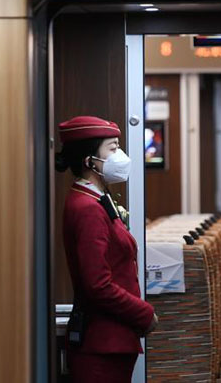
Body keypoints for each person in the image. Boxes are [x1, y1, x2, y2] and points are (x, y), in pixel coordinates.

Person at [56, 115, 158, 383]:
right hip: (101, 342)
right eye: (113, 149)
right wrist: (143, 314)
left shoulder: (96, 198)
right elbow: (98, 284)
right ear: (90, 161)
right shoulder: (87, 207)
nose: (121, 156)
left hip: (113, 338)